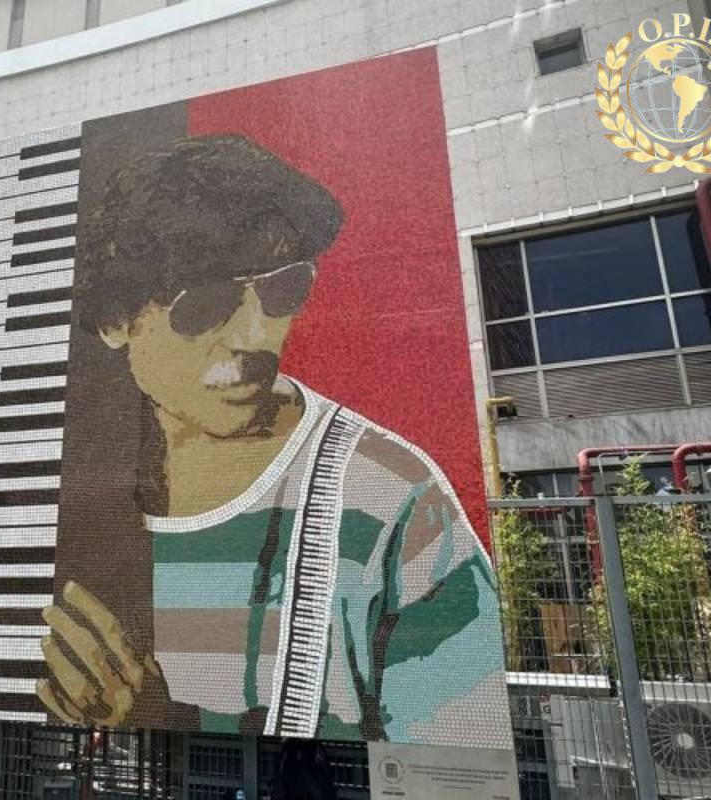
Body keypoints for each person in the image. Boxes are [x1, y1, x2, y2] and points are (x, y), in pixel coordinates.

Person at [35, 134, 510, 745]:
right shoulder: (65, 495)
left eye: (284, 290)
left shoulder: (392, 497)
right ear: (114, 319)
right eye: (208, 303)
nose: (256, 338)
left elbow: (460, 756)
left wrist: (171, 722)